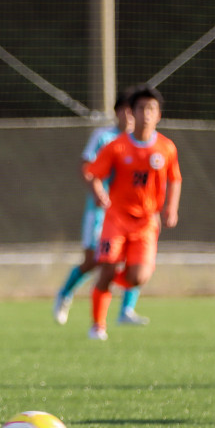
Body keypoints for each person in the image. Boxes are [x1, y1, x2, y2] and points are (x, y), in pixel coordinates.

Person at [83, 84, 182, 341]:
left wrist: (171, 208)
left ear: (159, 114)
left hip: (147, 221)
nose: (146, 114)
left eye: (151, 109)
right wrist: (98, 192)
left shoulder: (166, 147)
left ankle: (103, 285)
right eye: (141, 108)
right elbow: (93, 173)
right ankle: (98, 326)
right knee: (108, 266)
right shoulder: (117, 146)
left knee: (138, 278)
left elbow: (175, 179)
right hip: (116, 218)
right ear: (132, 113)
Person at [53, 87, 149, 326]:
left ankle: (126, 310)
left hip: (130, 213)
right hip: (101, 212)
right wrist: (98, 191)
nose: (130, 116)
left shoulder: (145, 142)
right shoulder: (104, 136)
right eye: (126, 110)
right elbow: (86, 167)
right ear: (117, 112)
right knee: (94, 260)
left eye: (134, 111)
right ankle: (65, 293)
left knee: (133, 259)